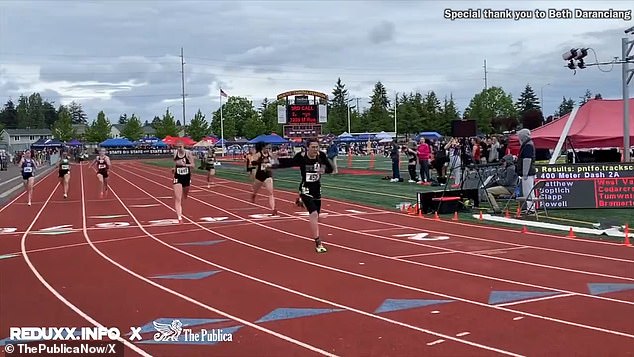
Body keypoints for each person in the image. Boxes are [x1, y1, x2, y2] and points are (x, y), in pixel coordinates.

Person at [272, 137, 333, 253]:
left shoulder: (321, 156)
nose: (315, 149)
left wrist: (323, 170)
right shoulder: (301, 157)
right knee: (314, 214)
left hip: (317, 189)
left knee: (317, 215)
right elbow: (289, 163)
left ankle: (300, 201)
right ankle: (318, 242)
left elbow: (331, 168)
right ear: (307, 147)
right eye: (313, 147)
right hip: (305, 188)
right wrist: (274, 163)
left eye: (317, 147)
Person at [172, 141, 196, 223]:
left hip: (186, 176)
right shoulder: (175, 153)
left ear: (184, 146)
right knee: (178, 198)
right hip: (178, 177)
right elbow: (175, 164)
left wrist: (185, 165)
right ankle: (179, 217)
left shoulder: (188, 153)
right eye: (177, 147)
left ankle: (185, 195)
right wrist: (174, 169)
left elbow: (193, 166)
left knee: (185, 195)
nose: (179, 149)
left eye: (180, 147)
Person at [250, 142, 277, 216]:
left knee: (271, 192)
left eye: (269, 148)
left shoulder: (270, 154)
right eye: (267, 148)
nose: (268, 150)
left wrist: (273, 163)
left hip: (268, 175)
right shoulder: (259, 154)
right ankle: (254, 195)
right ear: (263, 148)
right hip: (259, 175)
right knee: (255, 190)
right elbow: (252, 162)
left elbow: (276, 161)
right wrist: (259, 162)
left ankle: (273, 209)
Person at [516, 128, 537, 213]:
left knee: (528, 191)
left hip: (527, 173)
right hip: (529, 172)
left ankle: (531, 208)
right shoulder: (529, 144)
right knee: (529, 190)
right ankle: (530, 208)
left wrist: (524, 173)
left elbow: (527, 160)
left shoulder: (528, 145)